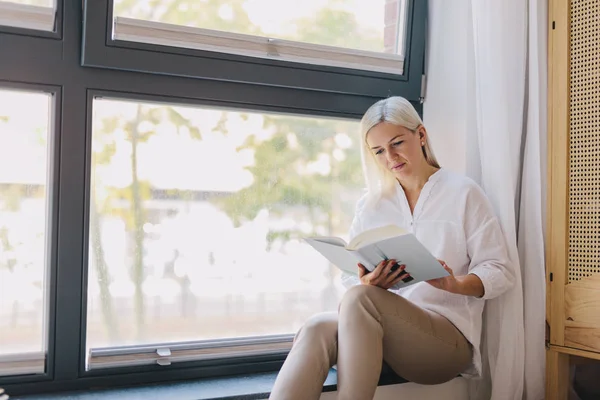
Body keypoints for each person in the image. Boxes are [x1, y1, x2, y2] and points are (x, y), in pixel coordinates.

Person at [269, 96, 515, 400]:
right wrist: (367, 282)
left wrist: (454, 284)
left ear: (421, 135)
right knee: (316, 327)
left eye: (397, 143)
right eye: (379, 151)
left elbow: (500, 271)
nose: (390, 157)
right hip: (380, 336)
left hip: (446, 344)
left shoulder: (463, 193)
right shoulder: (372, 204)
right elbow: (350, 280)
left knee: (361, 299)